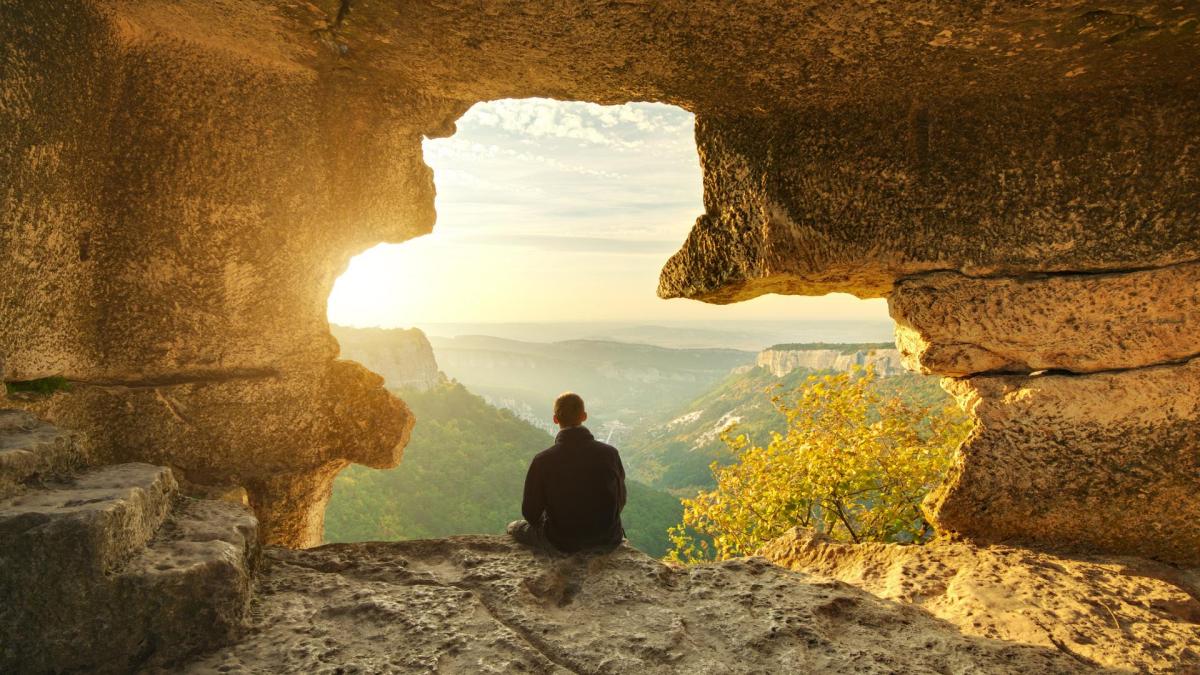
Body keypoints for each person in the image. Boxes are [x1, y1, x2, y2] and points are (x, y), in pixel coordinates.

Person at [507, 392, 626, 553]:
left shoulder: (543, 460)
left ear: (555, 419)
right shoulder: (610, 454)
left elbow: (530, 513)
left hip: (561, 541)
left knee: (514, 527)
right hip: (607, 539)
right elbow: (620, 500)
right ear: (584, 416)